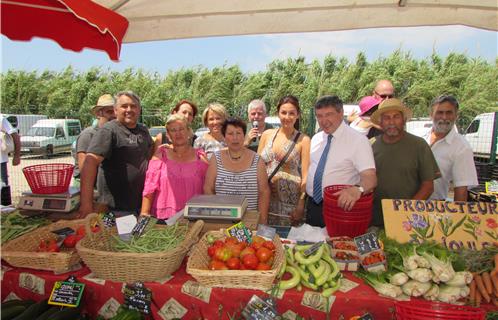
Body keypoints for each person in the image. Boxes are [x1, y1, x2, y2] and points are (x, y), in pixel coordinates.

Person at [79, 91, 154, 217]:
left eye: (133, 106)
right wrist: (86, 204)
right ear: (115, 110)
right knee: (115, 236)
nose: (129, 109)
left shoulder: (143, 130)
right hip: (114, 209)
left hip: (139, 206)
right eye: (124, 106)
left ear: (139, 110)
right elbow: (90, 162)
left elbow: (151, 152)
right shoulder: (109, 130)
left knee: (135, 237)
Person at [305, 95, 377, 227]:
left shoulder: (358, 141)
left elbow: (370, 179)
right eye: (319, 116)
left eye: (329, 114)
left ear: (341, 113)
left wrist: (357, 189)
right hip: (313, 207)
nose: (323, 120)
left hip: (340, 208)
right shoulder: (316, 139)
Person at [370, 98, 440, 227]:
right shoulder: (371, 144)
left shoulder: (419, 145)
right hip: (375, 219)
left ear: (404, 120)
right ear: (380, 122)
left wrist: (405, 211)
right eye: (386, 118)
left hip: (409, 220)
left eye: (396, 117)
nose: (391, 122)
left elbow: (428, 186)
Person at [140, 114, 208, 220]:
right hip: (162, 219)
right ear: (168, 135)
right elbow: (149, 188)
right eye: (173, 130)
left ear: (189, 132)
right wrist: (144, 214)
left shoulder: (201, 157)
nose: (178, 133)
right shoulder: (160, 156)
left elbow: (208, 189)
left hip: (193, 218)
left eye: (181, 129)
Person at [204, 117, 270, 224]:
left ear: (244, 136)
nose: (235, 138)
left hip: (250, 220)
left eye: (238, 133)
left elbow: (264, 192)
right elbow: (208, 188)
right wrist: (215, 216)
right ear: (224, 137)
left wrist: (262, 220)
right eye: (230, 133)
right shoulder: (216, 158)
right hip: (223, 221)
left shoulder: (257, 160)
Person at [258, 95, 310, 226]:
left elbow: (306, 176)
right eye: (283, 112)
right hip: (266, 200)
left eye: (292, 113)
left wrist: (301, 205)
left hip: (290, 204)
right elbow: (256, 168)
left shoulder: (303, 140)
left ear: (298, 115)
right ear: (278, 113)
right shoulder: (266, 135)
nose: (287, 117)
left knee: (287, 242)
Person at [424, 95, 478, 201]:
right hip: (405, 203)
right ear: (431, 115)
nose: (444, 117)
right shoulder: (418, 136)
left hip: (434, 209)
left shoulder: (462, 147)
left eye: (449, 113)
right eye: (440, 112)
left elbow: (461, 191)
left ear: (456, 116)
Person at [74, 94, 115, 197]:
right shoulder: (88, 135)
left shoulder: (114, 133)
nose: (114, 115)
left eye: (115, 111)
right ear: (98, 114)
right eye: (109, 112)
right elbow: (85, 169)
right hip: (88, 188)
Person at [0, 115, 20, 206]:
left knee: (3, 188)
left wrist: (17, 155)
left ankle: (5, 210)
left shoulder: (1, 119)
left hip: (1, 161)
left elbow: (15, 135)